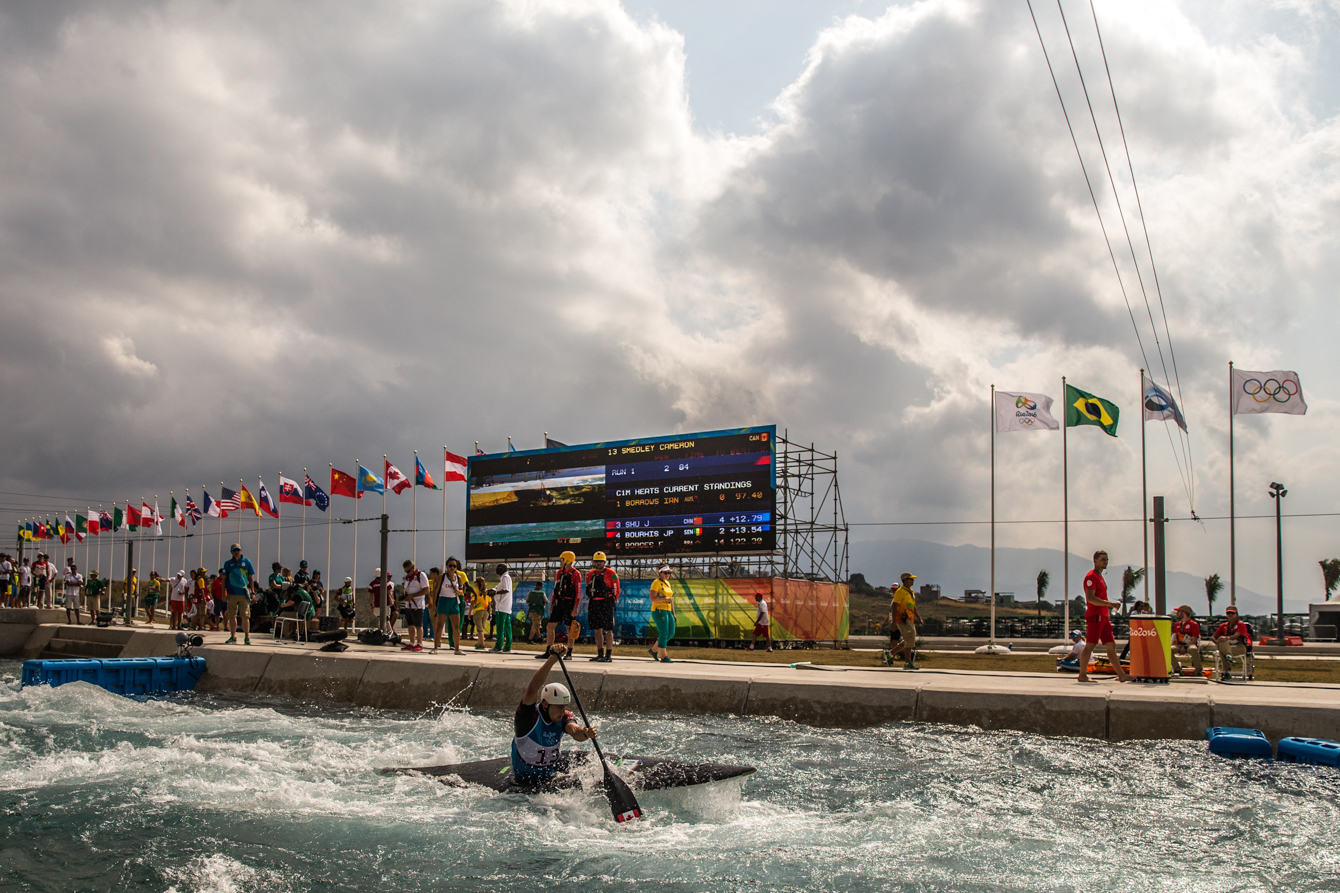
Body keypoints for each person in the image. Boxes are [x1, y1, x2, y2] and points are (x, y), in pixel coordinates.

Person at [511, 644, 597, 781]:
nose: (563, 711)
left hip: (550, 775)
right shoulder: (529, 717)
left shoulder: (563, 716)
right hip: (524, 779)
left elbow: (575, 731)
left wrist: (586, 732)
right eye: (559, 707)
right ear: (545, 704)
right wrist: (552, 659)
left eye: (565, 706)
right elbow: (533, 689)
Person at [1077, 550, 1131, 683]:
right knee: (1090, 645)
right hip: (1096, 615)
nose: (1105, 562)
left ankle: (1121, 675)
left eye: (1106, 560)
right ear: (1095, 560)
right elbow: (1090, 598)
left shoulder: (1099, 577)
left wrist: (1108, 606)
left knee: (1111, 645)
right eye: (1102, 559)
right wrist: (1110, 604)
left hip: (1103, 616)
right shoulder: (1091, 577)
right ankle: (1082, 675)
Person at [543, 551, 582, 659]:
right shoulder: (560, 572)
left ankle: (569, 652)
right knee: (550, 626)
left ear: (568, 560)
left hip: (569, 603)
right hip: (558, 603)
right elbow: (556, 589)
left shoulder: (576, 574)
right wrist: (552, 604)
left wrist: (575, 608)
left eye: (562, 560)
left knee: (569, 628)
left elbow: (578, 592)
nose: (560, 562)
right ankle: (549, 651)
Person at [584, 552, 620, 662]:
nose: (598, 563)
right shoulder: (589, 574)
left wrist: (611, 602)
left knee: (608, 630)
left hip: (606, 603)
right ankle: (600, 654)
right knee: (597, 629)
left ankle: (608, 655)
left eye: (600, 561)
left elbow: (617, 589)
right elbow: (588, 588)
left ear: (605, 562)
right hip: (594, 603)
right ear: (593, 562)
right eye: (596, 561)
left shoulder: (611, 573)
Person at [222, 544, 256, 645]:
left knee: (245, 616)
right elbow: (224, 579)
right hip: (231, 593)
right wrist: (224, 593)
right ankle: (233, 636)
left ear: (241, 551)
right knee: (232, 615)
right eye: (234, 550)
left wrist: (252, 592)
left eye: (238, 550)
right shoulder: (228, 563)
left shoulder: (246, 562)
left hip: (244, 593)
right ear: (231, 552)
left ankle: (247, 637)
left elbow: (250, 578)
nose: (236, 552)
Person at [434, 558, 467, 655]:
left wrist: (459, 591)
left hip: (453, 601)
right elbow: (436, 590)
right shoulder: (442, 577)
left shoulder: (459, 577)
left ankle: (457, 649)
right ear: (447, 566)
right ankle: (436, 647)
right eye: (450, 565)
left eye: (454, 566)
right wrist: (434, 604)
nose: (452, 568)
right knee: (440, 625)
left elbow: (462, 591)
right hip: (443, 600)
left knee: (456, 627)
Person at [888, 572, 920, 669]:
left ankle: (891, 653)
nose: (913, 580)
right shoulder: (900, 591)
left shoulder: (911, 592)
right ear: (905, 580)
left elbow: (912, 606)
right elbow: (894, 606)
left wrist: (919, 618)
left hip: (909, 619)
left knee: (909, 639)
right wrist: (893, 621)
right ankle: (907, 662)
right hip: (902, 619)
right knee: (910, 638)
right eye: (911, 579)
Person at [1213, 606, 1253, 680]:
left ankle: (1227, 672)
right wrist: (1218, 642)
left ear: (1236, 614)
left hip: (1239, 646)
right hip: (1227, 646)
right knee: (1222, 644)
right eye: (1228, 613)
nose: (1230, 615)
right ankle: (1228, 657)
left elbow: (1236, 635)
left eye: (1232, 613)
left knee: (1223, 649)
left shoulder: (1241, 625)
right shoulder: (1224, 625)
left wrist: (1226, 638)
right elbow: (1213, 637)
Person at [400, 559, 429, 652]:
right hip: (408, 604)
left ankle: (419, 643)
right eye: (406, 572)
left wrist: (413, 596)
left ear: (413, 568)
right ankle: (412, 642)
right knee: (410, 624)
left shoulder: (421, 575)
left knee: (418, 625)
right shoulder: (408, 578)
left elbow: (426, 590)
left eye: (408, 571)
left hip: (418, 605)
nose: (407, 573)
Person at [649, 563, 676, 663]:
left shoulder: (668, 583)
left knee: (671, 633)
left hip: (668, 610)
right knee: (663, 633)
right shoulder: (656, 583)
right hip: (659, 610)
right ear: (660, 573)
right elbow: (652, 599)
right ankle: (664, 656)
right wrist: (666, 599)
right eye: (665, 573)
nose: (667, 575)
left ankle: (653, 650)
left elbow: (671, 600)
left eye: (669, 573)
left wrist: (674, 613)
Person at [1172, 604, 1203, 675]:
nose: (1177, 614)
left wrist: (1185, 647)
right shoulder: (1177, 625)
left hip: (1189, 644)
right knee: (1169, 650)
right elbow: (1174, 637)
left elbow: (1194, 640)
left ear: (1184, 613)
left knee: (1193, 649)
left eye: (1178, 612)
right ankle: (1177, 669)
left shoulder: (1194, 624)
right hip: (1179, 644)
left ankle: (1198, 670)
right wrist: (1173, 644)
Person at [490, 563, 515, 653]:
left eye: (498, 568)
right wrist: (492, 590)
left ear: (503, 569)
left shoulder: (505, 577)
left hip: (502, 606)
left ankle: (498, 646)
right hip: (505, 606)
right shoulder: (503, 578)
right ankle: (508, 646)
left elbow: (506, 590)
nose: (496, 570)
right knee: (507, 627)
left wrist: (495, 593)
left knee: (500, 627)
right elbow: (499, 587)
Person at [472, 575, 493, 651]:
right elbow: (490, 603)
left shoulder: (475, 591)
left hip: (478, 611)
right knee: (482, 628)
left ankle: (482, 644)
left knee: (479, 628)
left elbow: (473, 602)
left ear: (477, 583)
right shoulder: (487, 591)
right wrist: (489, 613)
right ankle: (479, 642)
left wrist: (469, 613)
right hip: (486, 612)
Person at [526, 578, 548, 644]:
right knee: (535, 626)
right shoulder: (542, 593)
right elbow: (546, 601)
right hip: (538, 611)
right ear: (541, 586)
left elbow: (527, 601)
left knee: (536, 625)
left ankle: (539, 639)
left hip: (531, 611)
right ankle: (529, 640)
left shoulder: (531, 592)